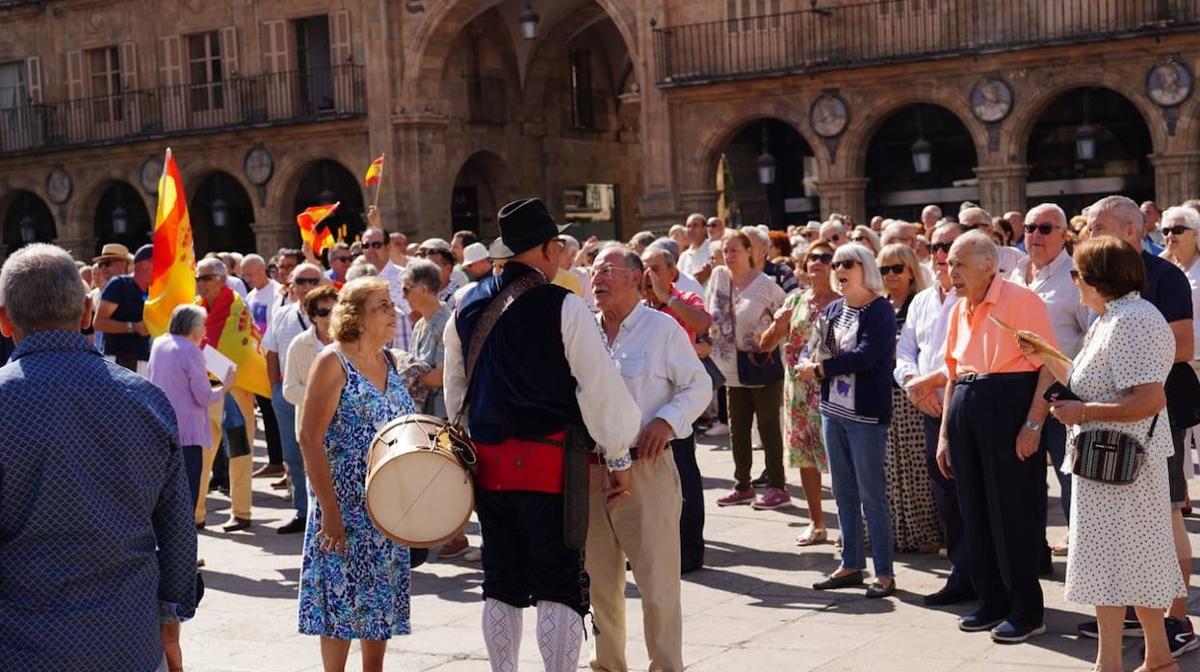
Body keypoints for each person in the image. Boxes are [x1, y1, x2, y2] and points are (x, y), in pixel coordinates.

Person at [443, 197, 641, 672]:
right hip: (550, 462)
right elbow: (599, 388)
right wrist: (618, 457)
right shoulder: (563, 304)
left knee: (501, 579)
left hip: (487, 463)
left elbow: (456, 390)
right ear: (549, 249)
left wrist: (469, 444)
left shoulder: (465, 304)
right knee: (559, 580)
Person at [0, 243, 196, 672]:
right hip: (130, 638)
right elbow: (178, 527)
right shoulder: (145, 398)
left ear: (3, 319)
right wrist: (170, 618)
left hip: (23, 643)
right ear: (88, 311)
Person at [1019, 236, 1185, 672]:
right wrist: (1044, 354)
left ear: (1098, 278)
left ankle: (1119, 663)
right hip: (1110, 464)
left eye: (1077, 273)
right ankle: (1148, 659)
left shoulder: (1131, 320)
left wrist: (1082, 412)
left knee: (1124, 564)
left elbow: (1150, 398)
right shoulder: (1115, 317)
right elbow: (1084, 377)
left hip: (1123, 466)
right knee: (1121, 565)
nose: (1073, 281)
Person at [1080, 196, 1198, 655]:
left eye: (1098, 227)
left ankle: (1175, 623)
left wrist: (1093, 402)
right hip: (1117, 432)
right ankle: (1143, 641)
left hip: (1147, 429)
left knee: (1162, 522)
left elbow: (1179, 348)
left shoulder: (1157, 284)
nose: (1089, 235)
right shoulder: (1115, 309)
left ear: (1130, 231)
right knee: (1129, 541)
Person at [588, 245, 711, 672]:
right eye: (594, 270)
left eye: (607, 270)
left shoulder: (661, 329)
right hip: (592, 472)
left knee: (658, 584)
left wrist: (666, 421)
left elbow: (698, 386)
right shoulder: (583, 331)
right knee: (599, 585)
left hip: (647, 469)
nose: (596, 278)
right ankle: (606, 666)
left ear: (635, 278)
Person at [936, 231, 1057, 643]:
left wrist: (1033, 424)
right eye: (949, 264)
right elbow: (953, 374)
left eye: (958, 264)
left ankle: (1026, 609)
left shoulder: (1022, 301)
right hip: (966, 406)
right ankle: (991, 600)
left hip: (1009, 405)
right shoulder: (957, 309)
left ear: (988, 265)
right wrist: (944, 437)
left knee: (1013, 511)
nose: (951, 272)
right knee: (974, 508)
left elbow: (1049, 366)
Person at [297, 277, 415, 671]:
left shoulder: (391, 361)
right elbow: (309, 437)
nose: (392, 311)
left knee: (379, 601)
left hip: (387, 508)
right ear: (356, 316)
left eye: (390, 304)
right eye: (382, 305)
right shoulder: (333, 362)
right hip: (343, 507)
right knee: (340, 603)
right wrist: (329, 512)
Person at [795, 243, 897, 598]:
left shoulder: (880, 309)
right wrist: (809, 363)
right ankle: (852, 563)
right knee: (843, 492)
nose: (838, 268)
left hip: (866, 414)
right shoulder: (834, 308)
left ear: (864, 267)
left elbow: (866, 355)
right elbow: (819, 346)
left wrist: (820, 369)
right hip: (832, 410)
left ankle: (884, 571)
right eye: (835, 263)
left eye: (846, 264)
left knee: (872, 495)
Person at [895, 222, 975, 605]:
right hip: (929, 408)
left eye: (949, 246)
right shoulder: (923, 300)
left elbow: (965, 357)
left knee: (973, 495)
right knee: (945, 495)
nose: (941, 254)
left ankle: (985, 574)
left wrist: (926, 384)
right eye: (935, 246)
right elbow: (905, 350)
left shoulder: (971, 297)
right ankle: (961, 572)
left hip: (963, 406)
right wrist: (914, 385)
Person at [1008, 204, 1092, 561]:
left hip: (1061, 393)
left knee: (1071, 482)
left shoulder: (1076, 277)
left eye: (1045, 228)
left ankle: (1089, 562)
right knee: (1023, 488)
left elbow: (1091, 338)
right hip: (1013, 391)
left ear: (1063, 234)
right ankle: (1034, 556)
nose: (1035, 235)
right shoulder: (1015, 273)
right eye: (1029, 228)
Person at [757, 241, 838, 546]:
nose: (818, 262)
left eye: (826, 258)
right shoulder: (795, 302)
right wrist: (776, 327)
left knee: (840, 460)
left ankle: (851, 525)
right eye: (812, 258)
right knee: (805, 459)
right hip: (799, 395)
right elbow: (765, 345)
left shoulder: (844, 302)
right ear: (803, 266)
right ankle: (817, 523)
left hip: (832, 391)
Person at [642, 245, 712, 572]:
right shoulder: (637, 307)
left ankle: (690, 550)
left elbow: (702, 321)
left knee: (684, 475)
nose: (648, 275)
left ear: (672, 273)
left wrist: (667, 299)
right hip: (645, 406)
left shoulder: (684, 299)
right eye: (644, 268)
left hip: (678, 405)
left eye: (655, 268)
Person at [708, 230, 790, 510]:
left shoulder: (765, 284)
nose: (729, 256)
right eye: (725, 250)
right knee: (738, 429)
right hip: (729, 367)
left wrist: (769, 338)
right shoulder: (719, 279)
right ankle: (742, 485)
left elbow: (787, 316)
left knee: (768, 428)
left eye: (734, 250)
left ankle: (777, 486)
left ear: (749, 252)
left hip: (760, 365)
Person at [875, 243, 940, 553]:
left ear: (912, 272)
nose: (890, 275)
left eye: (896, 268)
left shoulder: (920, 305)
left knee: (917, 466)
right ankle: (897, 532)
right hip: (884, 396)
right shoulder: (879, 307)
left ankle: (925, 532)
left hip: (914, 396)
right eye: (883, 269)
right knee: (890, 466)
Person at [194, 257, 260, 533]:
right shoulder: (195, 308)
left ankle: (241, 512)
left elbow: (239, 349)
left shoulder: (237, 306)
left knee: (239, 451)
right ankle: (195, 514)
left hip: (233, 390)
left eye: (206, 277)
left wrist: (202, 355)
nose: (200, 283)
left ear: (221, 279)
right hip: (202, 389)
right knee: (199, 455)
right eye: (198, 278)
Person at [148, 304, 229, 508]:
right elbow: (203, 396)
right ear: (193, 327)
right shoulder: (190, 350)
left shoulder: (159, 343)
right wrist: (225, 387)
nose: (204, 330)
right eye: (202, 325)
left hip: (160, 426)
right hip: (187, 432)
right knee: (186, 497)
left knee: (165, 496)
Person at [243, 253, 286, 479]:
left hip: (274, 360)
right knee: (268, 414)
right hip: (257, 363)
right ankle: (275, 460)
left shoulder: (278, 292)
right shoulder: (250, 296)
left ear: (262, 269)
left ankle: (284, 463)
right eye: (244, 275)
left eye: (250, 273)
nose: (248, 278)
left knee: (278, 413)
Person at [283, 285, 338, 438]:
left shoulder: (351, 342)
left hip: (347, 430)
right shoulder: (299, 344)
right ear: (313, 316)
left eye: (334, 311)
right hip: (312, 430)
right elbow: (289, 390)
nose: (330, 317)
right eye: (323, 312)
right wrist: (323, 396)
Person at [94, 243, 153, 372]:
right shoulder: (118, 284)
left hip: (141, 359)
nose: (103, 268)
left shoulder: (149, 287)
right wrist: (133, 327)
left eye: (108, 263)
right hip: (119, 360)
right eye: (101, 264)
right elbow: (98, 323)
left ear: (124, 264)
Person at [363, 218, 414, 351]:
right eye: (366, 245)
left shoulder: (404, 278)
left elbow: (416, 316)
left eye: (376, 245)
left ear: (388, 247)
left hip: (401, 347)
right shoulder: (356, 281)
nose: (370, 250)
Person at [960, 206, 1025, 276]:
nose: (965, 233)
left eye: (969, 228)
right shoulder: (957, 260)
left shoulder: (1013, 255)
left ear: (989, 229)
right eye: (962, 228)